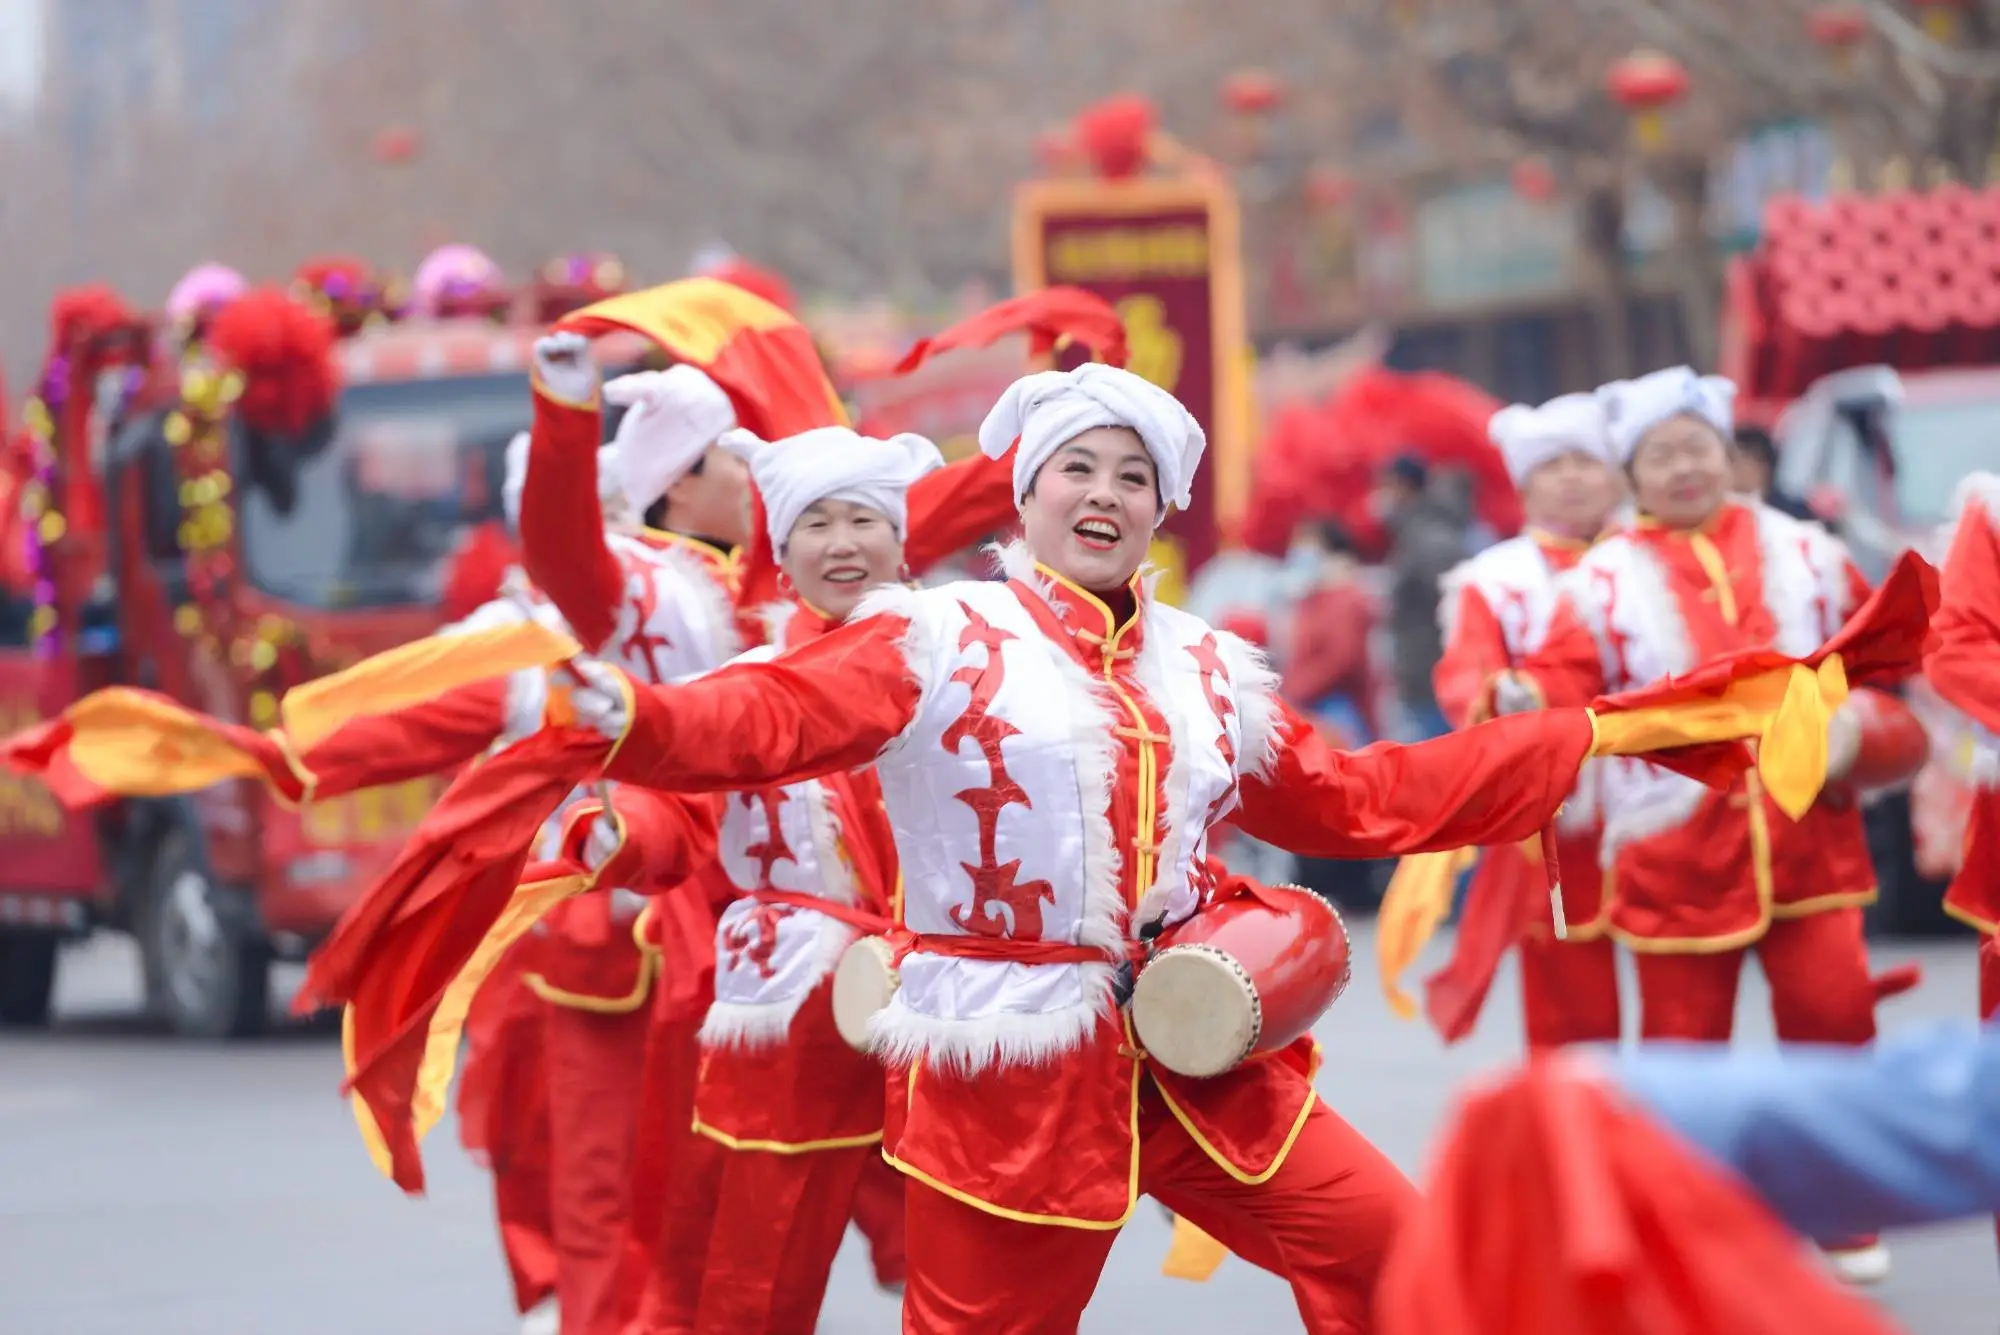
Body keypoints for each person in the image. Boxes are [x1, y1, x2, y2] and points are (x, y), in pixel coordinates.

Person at [537, 363, 1823, 1333]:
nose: (1102, 494)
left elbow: (1364, 799)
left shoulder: (1207, 662)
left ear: (1159, 507)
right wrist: (641, 720)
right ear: (1026, 494)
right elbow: (773, 716)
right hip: (1009, 1068)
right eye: (1076, 471)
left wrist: (1589, 735)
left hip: (1197, 1043)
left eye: (1130, 476)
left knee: (1400, 1260)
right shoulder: (933, 637)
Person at [1489, 365, 1930, 1284]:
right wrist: (1519, 696)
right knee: (1684, 1053)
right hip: (1673, 855)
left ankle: (1841, 1207)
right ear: (1633, 477)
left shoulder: (1805, 549)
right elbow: (1562, 684)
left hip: (1812, 838)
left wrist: (1857, 733)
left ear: (1728, 454)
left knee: (1834, 1017)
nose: (1684, 467)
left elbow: (1879, 664)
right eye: (1660, 455)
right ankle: (1683, 1221)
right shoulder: (1601, 581)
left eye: (1697, 446)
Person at [597, 423, 939, 1334]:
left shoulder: (966, 667)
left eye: (863, 519)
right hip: (796, 1008)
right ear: (780, 558)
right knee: (757, 1282)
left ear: (902, 543)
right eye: (815, 524)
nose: (843, 543)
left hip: (947, 1006)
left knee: (970, 1267)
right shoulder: (751, 681)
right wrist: (615, 832)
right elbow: (678, 806)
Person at [1416, 392, 1625, 1050]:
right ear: (1526, 484)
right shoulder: (1494, 577)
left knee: (1683, 993)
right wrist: (1506, 696)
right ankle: (1576, 1135)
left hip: (1663, 799)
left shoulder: (1647, 554)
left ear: (1615, 475)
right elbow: (1465, 678)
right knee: (1571, 1006)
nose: (1570, 477)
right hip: (1559, 815)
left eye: (1584, 462)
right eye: (1551, 465)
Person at [1374, 453, 1466, 740]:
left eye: (1387, 486)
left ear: (1404, 487)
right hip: (1422, 678)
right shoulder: (1412, 535)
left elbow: (1452, 614)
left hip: (1433, 682)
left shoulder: (1432, 541)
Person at [1731, 424, 1815, 521]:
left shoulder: (1794, 512)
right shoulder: (1723, 508)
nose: (1731, 469)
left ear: (1761, 466)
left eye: (1736, 461)